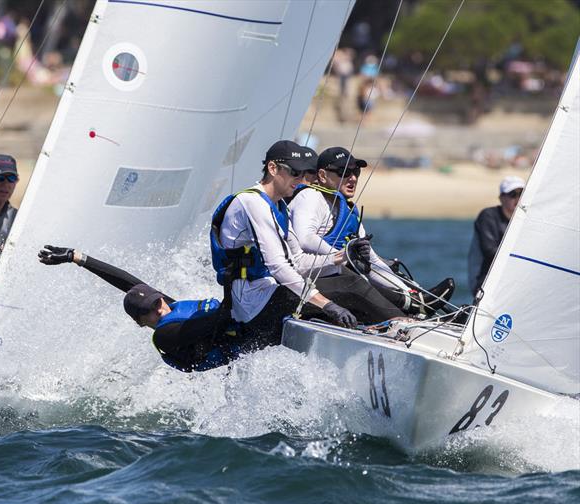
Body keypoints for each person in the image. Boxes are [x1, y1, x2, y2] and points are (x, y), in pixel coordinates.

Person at [211, 140, 405, 348]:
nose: (300, 179)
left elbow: (299, 261)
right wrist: (326, 304)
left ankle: (394, 323)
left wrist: (344, 256)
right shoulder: (252, 203)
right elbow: (278, 266)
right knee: (350, 286)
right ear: (273, 168)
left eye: (303, 173)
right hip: (251, 303)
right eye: (295, 172)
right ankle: (405, 327)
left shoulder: (279, 206)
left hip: (269, 292)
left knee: (344, 277)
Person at [288, 146, 455, 316]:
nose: (352, 178)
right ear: (322, 175)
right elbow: (305, 238)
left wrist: (406, 290)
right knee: (356, 277)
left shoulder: (349, 211)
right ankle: (404, 316)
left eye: (356, 172)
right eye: (344, 172)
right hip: (306, 278)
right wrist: (345, 257)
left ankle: (418, 305)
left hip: (336, 272)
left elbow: (373, 261)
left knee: (382, 270)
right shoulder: (310, 197)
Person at [38, 246, 241, 373]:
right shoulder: (165, 336)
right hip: (250, 340)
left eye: (157, 302)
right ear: (140, 322)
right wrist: (233, 276)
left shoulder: (168, 307)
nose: (159, 310)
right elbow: (220, 317)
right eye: (148, 312)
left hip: (243, 327)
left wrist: (77, 257)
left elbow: (127, 282)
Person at [468, 175, 525, 295]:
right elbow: (490, 251)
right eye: (513, 194)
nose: (518, 198)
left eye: (522, 194)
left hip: (514, 280)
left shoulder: (526, 220)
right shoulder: (488, 216)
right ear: (501, 198)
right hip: (484, 282)